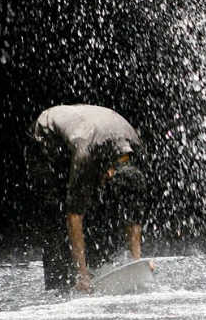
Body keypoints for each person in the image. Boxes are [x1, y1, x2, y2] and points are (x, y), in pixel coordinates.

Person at [27, 104, 148, 292]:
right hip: (46, 139)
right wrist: (82, 275)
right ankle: (58, 284)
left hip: (90, 132)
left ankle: (94, 262)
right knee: (56, 210)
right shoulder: (84, 155)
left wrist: (137, 263)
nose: (109, 175)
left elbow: (134, 211)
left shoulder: (134, 146)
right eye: (107, 171)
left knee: (110, 193)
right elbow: (74, 215)